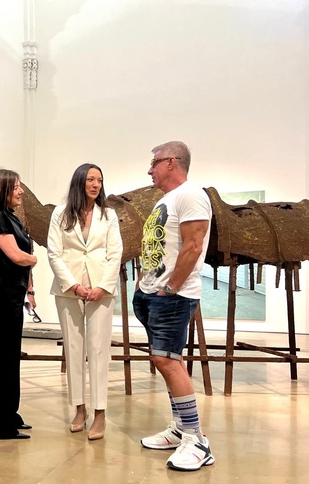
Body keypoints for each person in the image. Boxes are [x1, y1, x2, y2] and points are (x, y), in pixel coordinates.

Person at [132, 141, 214, 471]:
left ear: (171, 162)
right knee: (168, 360)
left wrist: (172, 286)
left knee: (167, 362)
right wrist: (144, 283)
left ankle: (197, 439)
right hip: (154, 293)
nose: (149, 169)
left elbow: (193, 246)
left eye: (154, 163)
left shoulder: (191, 195)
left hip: (174, 296)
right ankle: (180, 428)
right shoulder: (167, 200)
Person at [47, 163, 122, 441]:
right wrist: (74, 285)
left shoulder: (109, 215)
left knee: (99, 350)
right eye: (91, 179)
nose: (96, 184)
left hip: (102, 289)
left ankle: (100, 412)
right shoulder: (60, 213)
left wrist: (103, 286)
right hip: (69, 289)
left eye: (99, 180)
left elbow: (116, 253)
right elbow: (54, 253)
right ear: (80, 181)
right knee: (74, 349)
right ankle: (80, 408)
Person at [0, 168, 37, 439]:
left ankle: (9, 413)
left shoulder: (10, 219)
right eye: (16, 187)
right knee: (0, 359)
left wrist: (29, 287)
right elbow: (17, 256)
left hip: (11, 298)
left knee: (10, 357)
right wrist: (34, 259)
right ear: (3, 190)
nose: (21, 191)